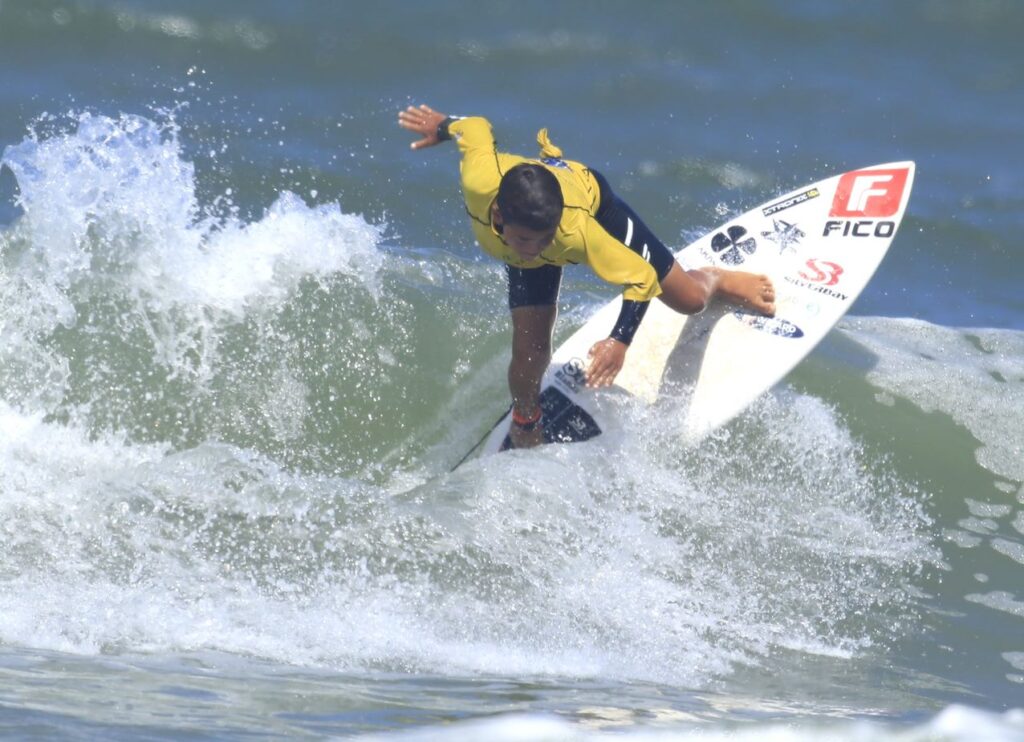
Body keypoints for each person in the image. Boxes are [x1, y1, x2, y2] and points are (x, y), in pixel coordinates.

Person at [398, 104, 775, 449]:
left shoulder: (575, 229)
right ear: (498, 216)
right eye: (529, 241)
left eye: (545, 241)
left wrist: (619, 341)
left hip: (591, 201)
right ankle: (527, 420)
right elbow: (476, 128)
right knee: (529, 353)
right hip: (531, 205)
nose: (539, 251)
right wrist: (443, 126)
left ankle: (714, 277)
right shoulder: (481, 181)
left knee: (688, 301)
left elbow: (641, 278)